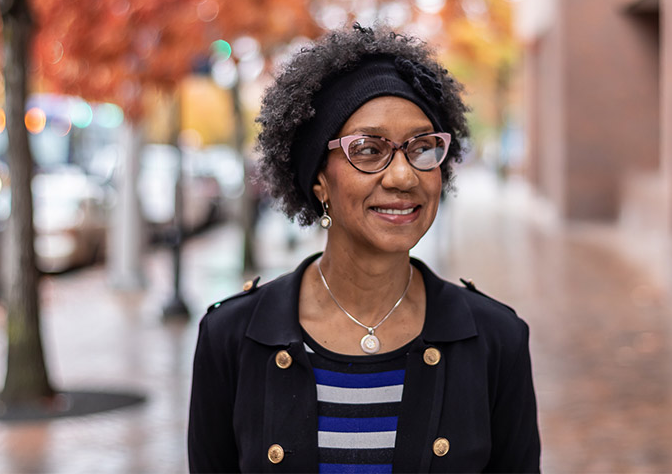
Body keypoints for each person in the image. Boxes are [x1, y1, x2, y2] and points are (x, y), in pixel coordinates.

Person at [188, 24, 540, 473]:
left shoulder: (496, 339)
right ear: (319, 177)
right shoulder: (233, 338)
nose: (403, 176)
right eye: (369, 150)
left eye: (422, 147)